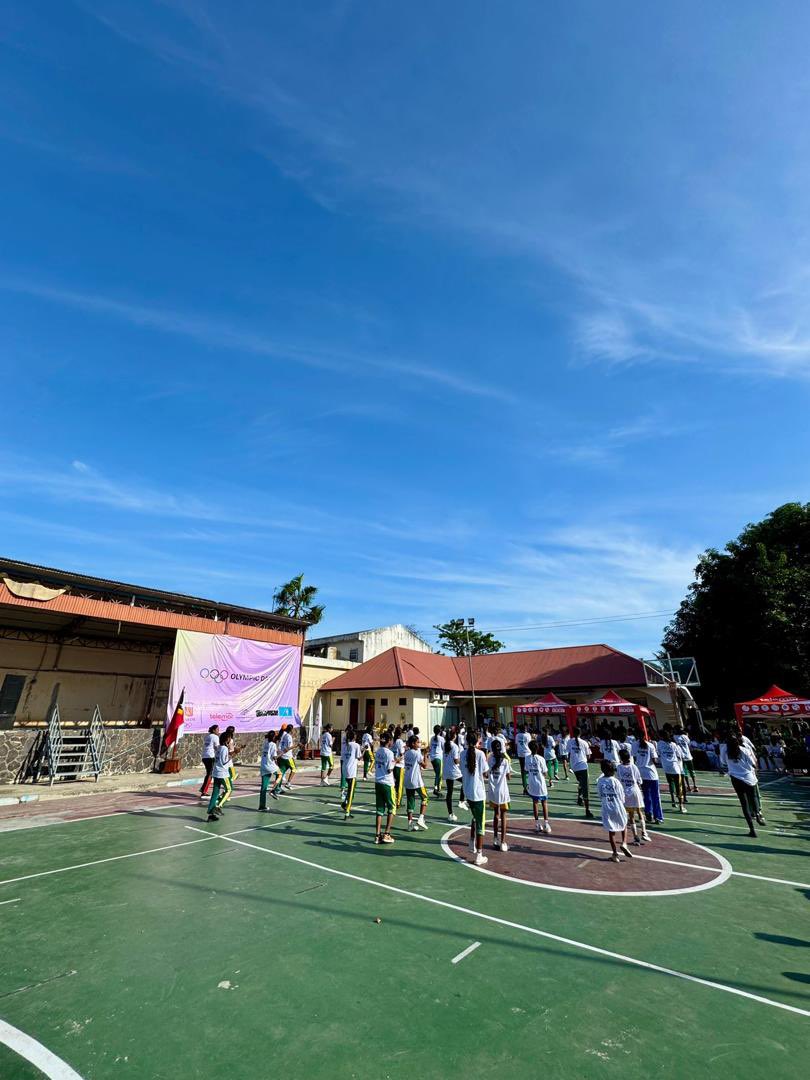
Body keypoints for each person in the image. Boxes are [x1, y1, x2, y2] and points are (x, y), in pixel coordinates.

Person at [726, 732, 766, 837]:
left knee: (744, 804)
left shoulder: (726, 752)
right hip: (748, 777)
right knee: (753, 798)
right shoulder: (744, 750)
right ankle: (758, 815)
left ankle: (752, 829)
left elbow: (723, 763)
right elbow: (753, 763)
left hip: (736, 778)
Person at [460, 731, 490, 866]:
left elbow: (463, 770)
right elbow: (485, 773)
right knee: (480, 824)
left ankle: (472, 842)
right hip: (478, 792)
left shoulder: (462, 754)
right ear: (477, 740)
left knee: (474, 817)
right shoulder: (480, 754)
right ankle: (479, 854)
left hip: (468, 791)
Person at [597, 761, 633, 862]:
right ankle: (624, 843)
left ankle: (615, 854)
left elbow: (599, 795)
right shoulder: (616, 782)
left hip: (607, 808)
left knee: (611, 831)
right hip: (618, 806)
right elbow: (622, 796)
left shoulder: (600, 781)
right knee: (624, 824)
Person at [617, 748, 650, 844]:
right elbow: (640, 780)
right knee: (639, 812)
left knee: (631, 816)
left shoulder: (619, 767)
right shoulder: (634, 767)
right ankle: (644, 832)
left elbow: (619, 780)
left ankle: (636, 836)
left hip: (626, 793)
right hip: (635, 791)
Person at [488, 738, 512, 852]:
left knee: (495, 815)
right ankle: (503, 842)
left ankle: (495, 838)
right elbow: (509, 776)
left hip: (493, 791)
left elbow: (487, 774)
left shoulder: (490, 760)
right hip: (502, 791)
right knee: (503, 816)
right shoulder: (505, 761)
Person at [373, 732, 396, 844]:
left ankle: (377, 835)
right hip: (387, 783)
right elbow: (389, 769)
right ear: (389, 741)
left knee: (379, 810)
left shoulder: (378, 751)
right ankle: (387, 833)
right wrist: (396, 762)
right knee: (392, 808)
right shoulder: (390, 753)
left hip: (378, 782)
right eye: (391, 740)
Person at [635, 733, 663, 825]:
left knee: (646, 795)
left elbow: (634, 757)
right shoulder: (650, 745)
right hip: (651, 773)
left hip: (641, 773)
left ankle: (648, 812)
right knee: (655, 796)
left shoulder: (634, 745)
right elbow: (655, 760)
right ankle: (658, 817)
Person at [404, 734, 429, 831]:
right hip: (416, 780)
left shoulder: (407, 753)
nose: (419, 744)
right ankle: (421, 818)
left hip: (407, 780)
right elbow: (425, 766)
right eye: (418, 742)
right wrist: (425, 754)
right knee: (425, 798)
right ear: (413, 743)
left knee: (410, 801)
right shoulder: (417, 753)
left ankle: (410, 823)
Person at [658, 729, 687, 813]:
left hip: (666, 768)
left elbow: (659, 753)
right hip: (675, 768)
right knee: (679, 787)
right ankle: (681, 806)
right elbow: (679, 756)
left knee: (671, 784)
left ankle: (673, 800)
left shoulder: (659, 744)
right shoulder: (674, 745)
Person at [206, 733, 233, 821]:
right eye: (229, 738)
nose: (230, 740)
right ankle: (218, 806)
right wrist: (231, 756)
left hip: (216, 772)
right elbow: (225, 762)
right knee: (229, 790)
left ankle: (211, 814)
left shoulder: (219, 748)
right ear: (226, 740)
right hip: (223, 773)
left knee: (215, 793)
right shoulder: (224, 748)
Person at [526, 739, 551, 833]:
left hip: (532, 783)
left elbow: (527, 769)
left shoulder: (527, 758)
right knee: (544, 803)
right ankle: (546, 823)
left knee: (535, 803)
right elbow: (545, 772)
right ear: (538, 748)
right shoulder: (541, 759)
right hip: (540, 784)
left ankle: (537, 824)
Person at [569, 727, 594, 818]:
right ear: (581, 733)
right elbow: (589, 756)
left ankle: (579, 797)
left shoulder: (570, 741)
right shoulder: (584, 743)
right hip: (582, 766)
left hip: (574, 766)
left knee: (581, 782)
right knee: (585, 788)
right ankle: (587, 810)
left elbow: (569, 752)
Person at [340, 727, 362, 819]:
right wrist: (364, 750)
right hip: (351, 772)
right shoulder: (356, 745)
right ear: (354, 737)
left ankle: (345, 802)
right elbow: (359, 757)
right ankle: (347, 812)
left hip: (345, 770)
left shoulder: (345, 746)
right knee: (351, 791)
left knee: (351, 791)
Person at [443, 732, 464, 821]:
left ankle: (450, 813)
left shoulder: (445, 744)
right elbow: (456, 761)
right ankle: (461, 801)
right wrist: (461, 760)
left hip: (446, 770)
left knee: (449, 792)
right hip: (453, 770)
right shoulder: (455, 746)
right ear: (454, 736)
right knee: (465, 781)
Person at [258, 730, 281, 810]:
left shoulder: (265, 742)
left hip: (263, 765)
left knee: (263, 787)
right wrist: (282, 753)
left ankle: (261, 806)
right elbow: (274, 757)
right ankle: (273, 790)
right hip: (269, 765)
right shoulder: (273, 745)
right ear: (274, 737)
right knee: (280, 774)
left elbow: (267, 736)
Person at [675, 727, 699, 792]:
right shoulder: (685, 736)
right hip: (688, 756)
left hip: (683, 757)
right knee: (691, 772)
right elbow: (689, 743)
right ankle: (694, 786)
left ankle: (689, 786)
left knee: (686, 773)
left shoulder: (675, 737)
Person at [199, 724, 220, 799]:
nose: (218, 731)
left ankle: (203, 790)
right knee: (210, 774)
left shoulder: (207, 736)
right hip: (210, 757)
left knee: (209, 773)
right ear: (214, 730)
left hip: (204, 756)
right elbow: (217, 747)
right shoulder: (215, 737)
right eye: (217, 729)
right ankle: (204, 792)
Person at [277, 724, 296, 790]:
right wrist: (297, 745)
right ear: (291, 729)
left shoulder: (283, 735)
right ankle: (288, 783)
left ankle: (278, 787)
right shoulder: (288, 736)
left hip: (282, 756)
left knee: (281, 772)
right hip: (287, 757)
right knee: (294, 769)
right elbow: (288, 748)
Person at [392, 726, 406, 809]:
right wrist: (405, 749)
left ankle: (394, 799)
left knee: (396, 784)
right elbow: (401, 753)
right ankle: (398, 802)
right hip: (400, 765)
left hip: (394, 765)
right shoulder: (399, 741)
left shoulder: (393, 741)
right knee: (400, 785)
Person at [429, 726, 444, 795]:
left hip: (432, 758)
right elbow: (443, 748)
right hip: (438, 757)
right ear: (440, 731)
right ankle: (436, 789)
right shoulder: (441, 738)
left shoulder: (432, 738)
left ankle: (437, 788)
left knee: (437, 774)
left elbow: (430, 747)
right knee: (439, 774)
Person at [515, 724, 531, 793]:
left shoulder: (517, 735)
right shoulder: (527, 735)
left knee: (523, 770)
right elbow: (530, 743)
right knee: (529, 770)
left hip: (520, 754)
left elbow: (516, 744)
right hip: (527, 753)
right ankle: (528, 785)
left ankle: (525, 787)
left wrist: (517, 752)